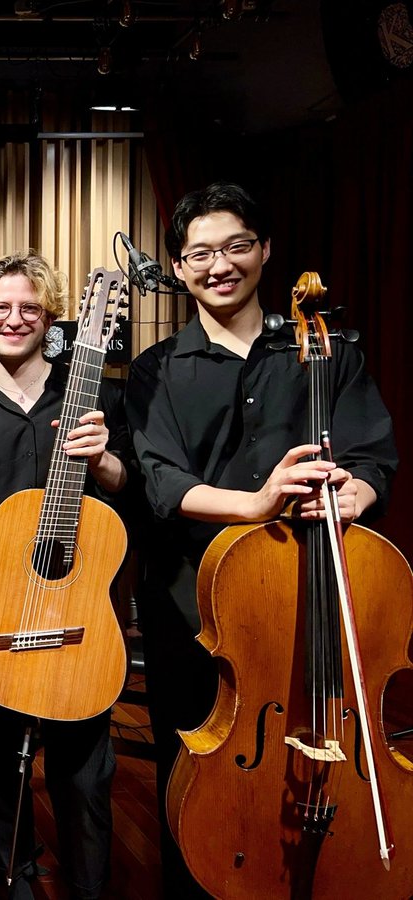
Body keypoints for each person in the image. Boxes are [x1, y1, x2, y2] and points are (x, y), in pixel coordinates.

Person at [124, 182, 397, 897]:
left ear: (266, 251)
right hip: (195, 608)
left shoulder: (328, 352)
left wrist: (349, 498)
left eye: (237, 246)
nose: (220, 265)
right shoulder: (156, 370)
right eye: (200, 253)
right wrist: (256, 503)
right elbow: (158, 480)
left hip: (311, 598)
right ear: (179, 269)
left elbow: (375, 462)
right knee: (193, 773)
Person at [0, 251, 130, 900]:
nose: (14, 319)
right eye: (0, 308)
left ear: (50, 319)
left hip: (78, 621)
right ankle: (16, 880)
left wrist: (107, 465)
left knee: (85, 778)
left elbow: (140, 504)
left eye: (30, 309)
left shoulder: (98, 399)